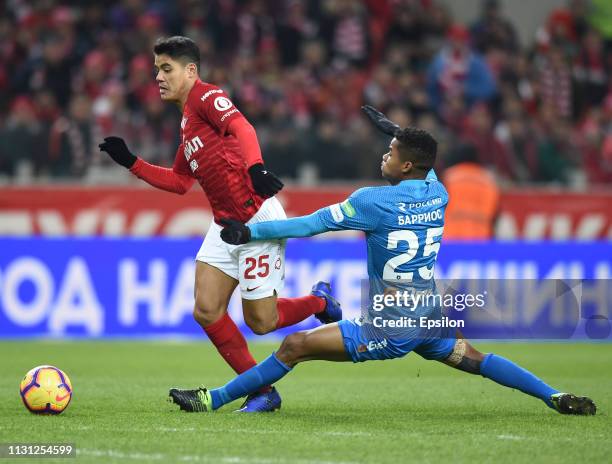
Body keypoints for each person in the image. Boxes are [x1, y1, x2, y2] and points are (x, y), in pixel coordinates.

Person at [167, 106, 596, 416]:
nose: (383, 156)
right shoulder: (439, 193)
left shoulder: (372, 202)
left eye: (390, 152)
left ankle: (213, 399)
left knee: (294, 346)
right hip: (428, 313)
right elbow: (426, 164)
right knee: (476, 360)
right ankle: (552, 396)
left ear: (406, 164)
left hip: (391, 325)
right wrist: (397, 131)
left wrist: (250, 231)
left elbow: (310, 225)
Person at [99, 36, 341, 412]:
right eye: (156, 70)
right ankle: (262, 391)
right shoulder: (187, 125)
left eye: (167, 69)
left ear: (190, 71)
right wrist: (131, 161)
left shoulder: (206, 97)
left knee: (261, 322)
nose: (158, 77)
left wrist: (255, 166)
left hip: (257, 218)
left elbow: (242, 127)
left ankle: (319, 301)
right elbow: (179, 183)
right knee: (207, 310)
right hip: (225, 226)